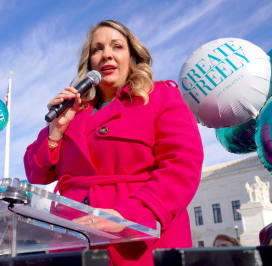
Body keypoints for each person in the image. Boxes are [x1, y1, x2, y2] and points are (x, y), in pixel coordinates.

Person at [24, 19, 204, 265]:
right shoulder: (73, 112)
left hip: (139, 243)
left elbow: (182, 166)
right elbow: (36, 174)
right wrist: (55, 129)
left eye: (116, 46)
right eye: (97, 49)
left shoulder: (160, 96)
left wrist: (127, 217)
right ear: (89, 63)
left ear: (132, 57)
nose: (106, 54)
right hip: (75, 242)